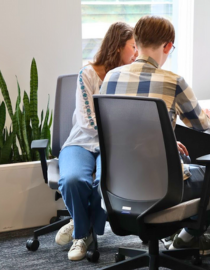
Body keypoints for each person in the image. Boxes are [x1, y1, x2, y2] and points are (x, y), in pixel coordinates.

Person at [100, 15, 210, 256]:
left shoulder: (111, 77)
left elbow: (123, 129)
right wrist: (206, 114)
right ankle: (187, 238)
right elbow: (200, 124)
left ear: (137, 40)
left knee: (183, 160)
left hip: (118, 185)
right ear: (166, 46)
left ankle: (175, 235)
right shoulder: (173, 81)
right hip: (164, 188)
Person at [56, 22, 138, 261]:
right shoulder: (88, 74)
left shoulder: (128, 76)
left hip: (112, 146)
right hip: (80, 142)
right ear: (117, 45)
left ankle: (80, 229)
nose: (136, 53)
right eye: (132, 46)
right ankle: (83, 231)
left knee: (106, 183)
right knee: (72, 180)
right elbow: (87, 121)